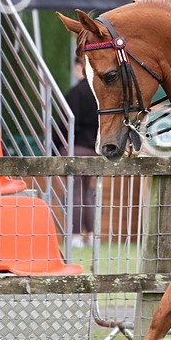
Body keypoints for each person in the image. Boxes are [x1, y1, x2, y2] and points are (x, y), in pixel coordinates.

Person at [63, 48, 100, 246]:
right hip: (94, 149)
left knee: (75, 192)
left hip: (76, 148)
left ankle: (76, 235)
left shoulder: (75, 93)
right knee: (87, 192)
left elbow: (66, 125)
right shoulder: (100, 94)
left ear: (80, 67)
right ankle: (92, 235)